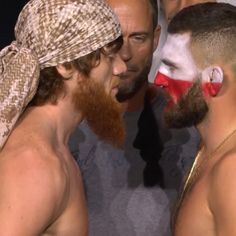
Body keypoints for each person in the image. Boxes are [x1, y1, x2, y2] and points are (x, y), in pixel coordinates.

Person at [69, 0, 200, 235]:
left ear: (156, 38)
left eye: (138, 37)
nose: (125, 54)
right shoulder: (65, 125)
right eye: (114, 40)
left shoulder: (188, 124)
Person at [0, 0, 127, 234]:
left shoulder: (52, 150)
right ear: (66, 65)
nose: (121, 68)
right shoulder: (34, 164)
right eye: (109, 56)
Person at [155, 2, 236, 235]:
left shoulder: (231, 170)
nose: (159, 79)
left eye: (172, 67)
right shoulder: (207, 150)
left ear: (213, 81)